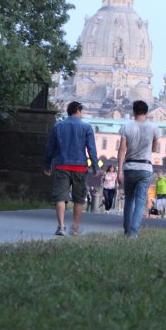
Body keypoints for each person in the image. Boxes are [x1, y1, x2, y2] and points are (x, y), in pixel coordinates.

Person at [44, 101, 99, 236]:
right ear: (77, 110)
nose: (82, 114)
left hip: (62, 165)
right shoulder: (86, 127)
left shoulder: (58, 126)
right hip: (80, 167)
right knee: (79, 199)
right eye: (81, 111)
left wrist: (47, 164)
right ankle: (74, 227)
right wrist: (95, 167)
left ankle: (61, 226)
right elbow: (91, 149)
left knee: (60, 197)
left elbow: (50, 147)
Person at [117, 100, 160, 237]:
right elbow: (154, 149)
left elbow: (122, 149)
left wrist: (119, 170)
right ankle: (133, 233)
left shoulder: (126, 127)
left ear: (133, 111)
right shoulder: (154, 128)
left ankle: (126, 231)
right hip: (145, 168)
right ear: (147, 112)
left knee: (129, 200)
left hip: (129, 167)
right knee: (140, 201)